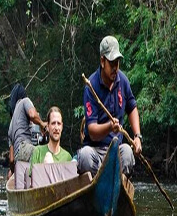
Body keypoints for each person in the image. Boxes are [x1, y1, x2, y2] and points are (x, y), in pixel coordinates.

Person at [77, 36, 142, 176]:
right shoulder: (91, 87)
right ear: (102, 61)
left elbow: (132, 107)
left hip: (116, 149)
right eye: (111, 63)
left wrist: (137, 136)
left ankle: (119, 187)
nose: (115, 67)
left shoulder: (123, 81)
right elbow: (92, 132)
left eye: (117, 63)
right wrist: (109, 127)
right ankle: (95, 186)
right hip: (95, 151)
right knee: (85, 155)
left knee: (128, 152)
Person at [8, 83, 47, 178]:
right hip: (25, 148)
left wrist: (13, 173)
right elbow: (33, 115)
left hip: (18, 158)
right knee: (45, 155)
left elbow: (11, 159)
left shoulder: (10, 125)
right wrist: (42, 124)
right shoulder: (25, 101)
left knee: (10, 174)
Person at [29, 106, 72, 172]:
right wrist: (45, 167)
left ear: (62, 127)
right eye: (53, 123)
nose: (56, 128)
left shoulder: (67, 158)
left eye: (59, 123)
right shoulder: (38, 152)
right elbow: (32, 180)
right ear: (48, 126)